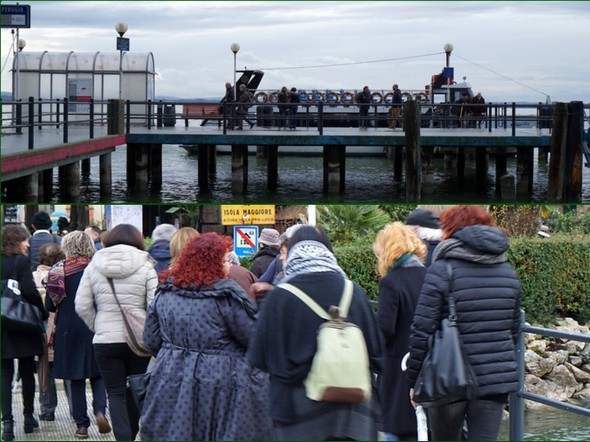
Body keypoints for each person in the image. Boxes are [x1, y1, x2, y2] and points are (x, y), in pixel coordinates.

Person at [247, 225, 385, 441]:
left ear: (292, 253)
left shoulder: (280, 296)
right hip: (352, 413)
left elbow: (259, 357)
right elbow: (377, 354)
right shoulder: (353, 291)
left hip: (297, 414)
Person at [140, 233, 272, 440]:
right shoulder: (225, 298)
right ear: (211, 263)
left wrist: (176, 354)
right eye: (225, 260)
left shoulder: (164, 294)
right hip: (221, 383)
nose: (228, 265)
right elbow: (253, 340)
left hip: (170, 378)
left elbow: (150, 340)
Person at [406, 205, 522, 441]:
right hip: (494, 380)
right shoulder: (507, 272)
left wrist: (414, 380)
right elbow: (514, 330)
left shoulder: (442, 269)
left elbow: (422, 329)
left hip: (448, 377)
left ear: (450, 229)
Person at [75, 224, 158, 441]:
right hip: (138, 341)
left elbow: (81, 305)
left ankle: (122, 437)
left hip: (105, 340)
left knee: (115, 392)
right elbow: (154, 306)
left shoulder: (94, 265)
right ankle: (130, 435)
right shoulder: (147, 266)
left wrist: (98, 326)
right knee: (137, 388)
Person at [45, 231, 111, 439]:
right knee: (99, 373)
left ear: (67, 247)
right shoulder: (98, 268)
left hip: (68, 328)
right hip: (96, 325)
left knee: (76, 378)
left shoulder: (59, 271)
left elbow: (49, 304)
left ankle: (82, 425)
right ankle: (100, 411)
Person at [372, 222, 427, 441]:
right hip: (427, 364)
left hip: (398, 367)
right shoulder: (430, 275)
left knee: (395, 428)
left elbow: (384, 329)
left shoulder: (391, 282)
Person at [1, 224, 49, 441]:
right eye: (25, 240)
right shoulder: (21, 261)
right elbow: (29, 290)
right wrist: (42, 312)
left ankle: (7, 425)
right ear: (17, 241)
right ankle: (28, 417)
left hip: (2, 326)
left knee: (4, 374)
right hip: (21, 322)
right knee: (27, 372)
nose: (28, 244)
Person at [32, 243, 66, 423]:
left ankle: (47, 410)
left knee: (44, 372)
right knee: (69, 369)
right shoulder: (63, 276)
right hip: (62, 329)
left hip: (41, 332)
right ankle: (76, 408)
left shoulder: (32, 278)